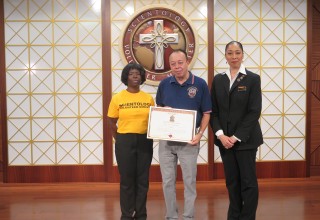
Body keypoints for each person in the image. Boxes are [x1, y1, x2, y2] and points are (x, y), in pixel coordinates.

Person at [156, 49, 212, 220]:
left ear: (187, 62)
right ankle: (171, 216)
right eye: (173, 64)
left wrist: (200, 134)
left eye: (180, 63)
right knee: (167, 182)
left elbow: (207, 112)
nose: (177, 67)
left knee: (189, 181)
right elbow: (159, 109)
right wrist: (162, 110)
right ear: (170, 66)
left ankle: (188, 217)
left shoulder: (200, 84)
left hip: (189, 140)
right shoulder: (164, 84)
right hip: (166, 141)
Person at [210, 41, 263, 220]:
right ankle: (233, 216)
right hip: (225, 142)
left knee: (248, 182)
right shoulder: (218, 80)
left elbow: (254, 111)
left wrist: (236, 136)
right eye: (230, 53)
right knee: (232, 182)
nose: (234, 57)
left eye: (237, 53)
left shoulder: (252, 79)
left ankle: (247, 217)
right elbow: (214, 111)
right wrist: (220, 135)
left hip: (246, 140)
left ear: (242, 55)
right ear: (225, 56)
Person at [107, 62, 154, 220]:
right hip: (124, 141)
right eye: (131, 73)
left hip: (144, 141)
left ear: (141, 77)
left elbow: (154, 121)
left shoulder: (148, 98)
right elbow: (112, 121)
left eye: (138, 73)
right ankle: (127, 214)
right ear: (126, 77)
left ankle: (141, 214)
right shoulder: (117, 98)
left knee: (142, 180)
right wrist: (119, 139)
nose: (135, 76)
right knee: (127, 180)